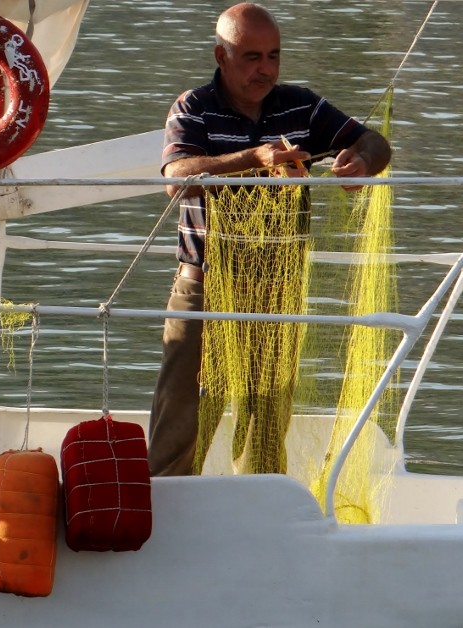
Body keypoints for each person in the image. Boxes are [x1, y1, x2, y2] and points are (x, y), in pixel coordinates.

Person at [147, 2, 392, 476]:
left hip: (276, 284)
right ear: (222, 56)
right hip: (205, 281)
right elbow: (176, 177)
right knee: (184, 409)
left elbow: (375, 142)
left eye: (273, 56)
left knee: (268, 413)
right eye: (251, 57)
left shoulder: (301, 104)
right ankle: (166, 508)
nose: (265, 69)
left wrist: (361, 159)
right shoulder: (193, 107)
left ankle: (257, 509)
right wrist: (254, 158)